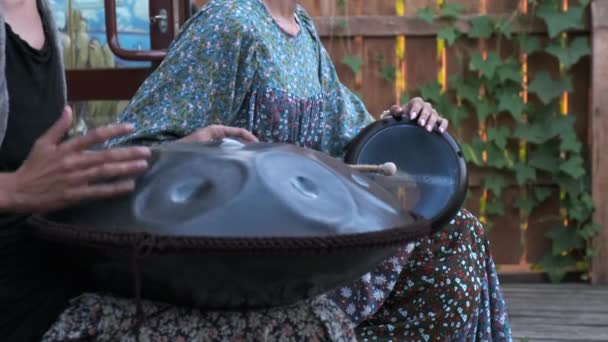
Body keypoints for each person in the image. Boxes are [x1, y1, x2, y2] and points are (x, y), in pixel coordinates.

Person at [41, 0, 512, 341]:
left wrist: (407, 122)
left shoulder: (300, 31)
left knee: (455, 231)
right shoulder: (229, 24)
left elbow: (355, 142)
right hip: (245, 251)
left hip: (304, 237)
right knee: (452, 245)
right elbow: (130, 144)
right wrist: (190, 149)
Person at [0, 0, 257, 340]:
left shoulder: (39, 12)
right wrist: (14, 189)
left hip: (58, 267)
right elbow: (25, 180)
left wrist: (164, 156)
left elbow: (46, 171)